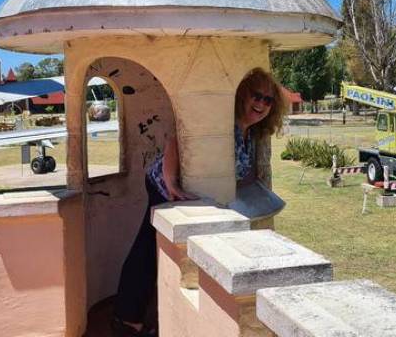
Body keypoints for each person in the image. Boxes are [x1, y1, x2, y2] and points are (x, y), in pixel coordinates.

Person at [113, 68, 286, 337]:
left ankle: (132, 315)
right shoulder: (223, 123)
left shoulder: (247, 131)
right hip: (165, 187)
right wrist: (171, 183)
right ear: (242, 95)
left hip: (182, 191)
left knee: (151, 250)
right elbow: (177, 141)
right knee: (146, 251)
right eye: (257, 96)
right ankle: (127, 319)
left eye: (268, 100)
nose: (261, 104)